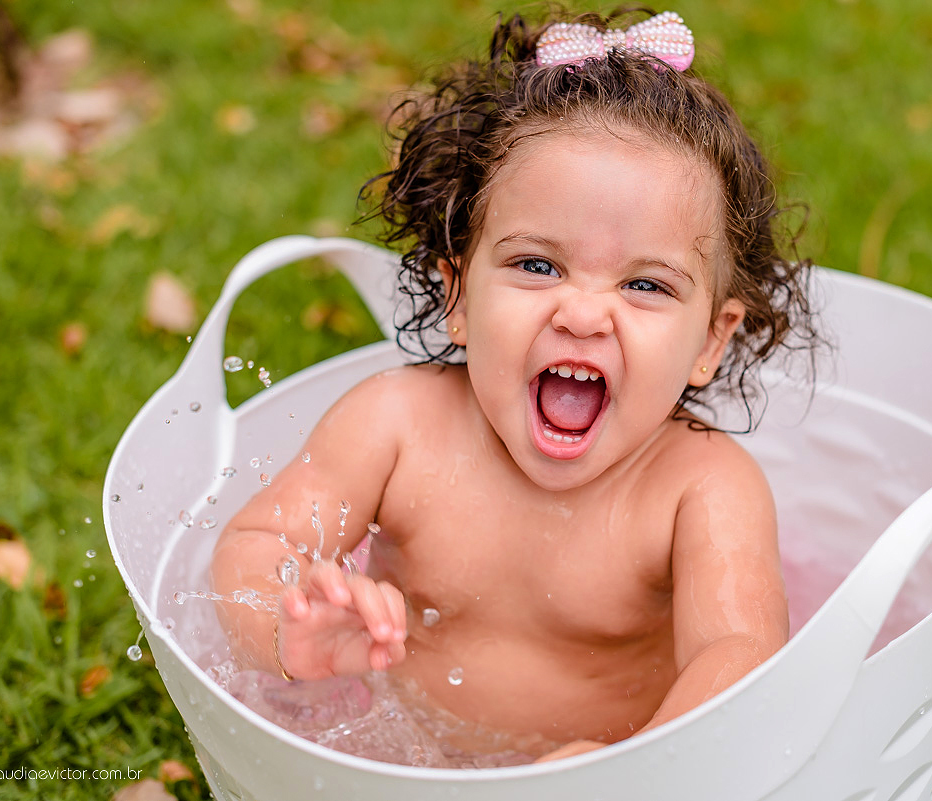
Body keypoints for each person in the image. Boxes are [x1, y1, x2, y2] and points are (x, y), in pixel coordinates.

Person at [212, 8, 816, 763]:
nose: (585, 312)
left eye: (646, 285)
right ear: (459, 294)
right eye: (538, 265)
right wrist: (285, 622)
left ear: (710, 340)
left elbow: (740, 656)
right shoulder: (396, 426)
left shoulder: (700, 485)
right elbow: (257, 543)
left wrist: (620, 771)